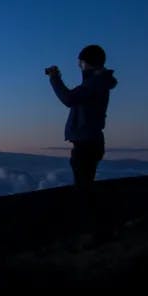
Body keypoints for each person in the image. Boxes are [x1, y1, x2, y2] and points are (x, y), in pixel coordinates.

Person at [46, 45, 118, 192]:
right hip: (90, 142)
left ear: (88, 62)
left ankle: (86, 213)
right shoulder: (97, 82)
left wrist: (54, 78)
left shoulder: (95, 83)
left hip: (86, 145)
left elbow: (68, 98)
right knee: (85, 185)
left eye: (81, 62)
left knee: (83, 189)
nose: (79, 65)